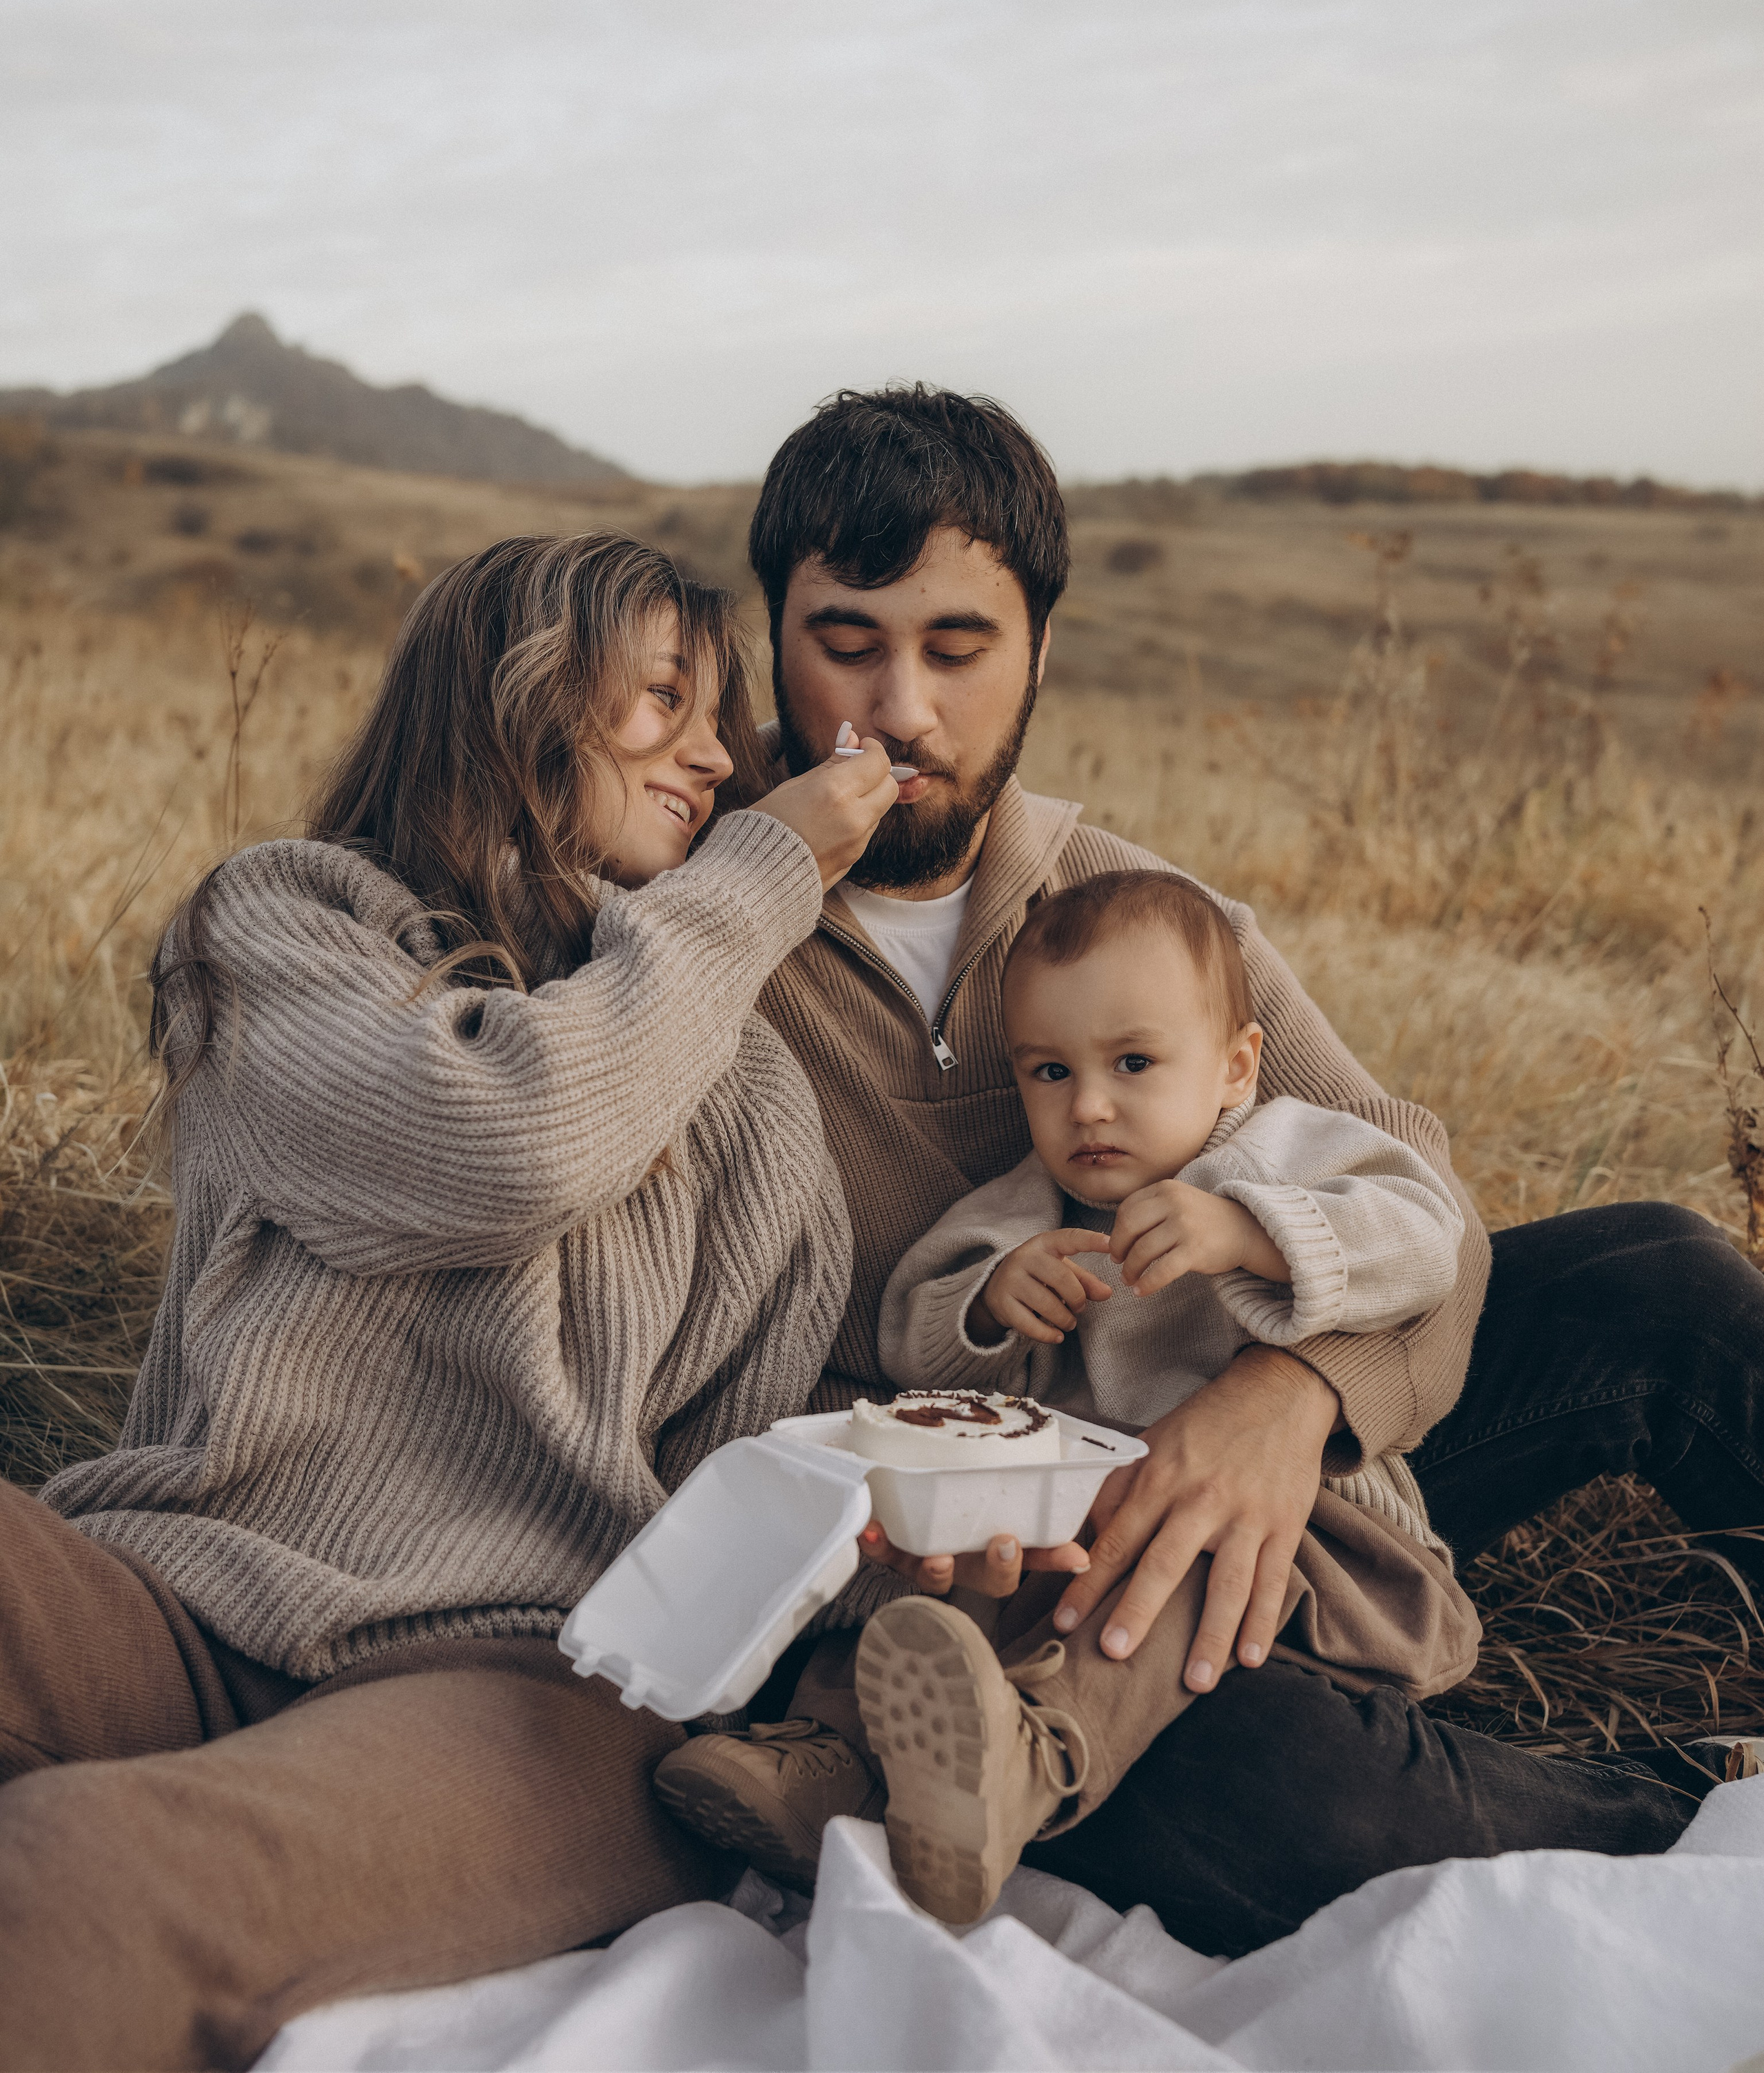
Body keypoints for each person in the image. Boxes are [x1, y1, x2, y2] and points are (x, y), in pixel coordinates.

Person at [654, 384, 1764, 1954]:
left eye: (957, 647)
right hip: (1007, 1571)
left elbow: (1420, 1204)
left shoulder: (1141, 905)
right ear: (776, 630)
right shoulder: (696, 929)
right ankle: (1678, 1817)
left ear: (1038, 645)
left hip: (1292, 1461)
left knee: (1664, 1275)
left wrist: (1289, 1400)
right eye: (846, 640)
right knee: (1202, 1769)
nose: (898, 706)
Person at [0, 532, 903, 2071]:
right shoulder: (288, 927)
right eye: (665, 697)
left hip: (520, 1676)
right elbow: (501, 1131)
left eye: (723, 716)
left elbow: (734, 1474)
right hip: (172, 1597)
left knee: (86, 1877)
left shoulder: (750, 1089)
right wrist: (765, 876)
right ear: (518, 697)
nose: (715, 752)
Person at [857, 865, 1481, 1925]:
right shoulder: (1029, 1209)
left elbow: (1431, 1237)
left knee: (1158, 1554)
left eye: (1134, 1062)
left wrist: (1255, 1233)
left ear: (1237, 1065)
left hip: (1317, 1542)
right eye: (1049, 1071)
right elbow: (909, 1328)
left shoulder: (1282, 1151)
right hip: (1109, 1550)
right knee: (957, 1596)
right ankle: (839, 1770)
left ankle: (1036, 1755)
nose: (1088, 1105)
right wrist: (990, 1305)